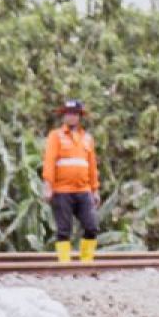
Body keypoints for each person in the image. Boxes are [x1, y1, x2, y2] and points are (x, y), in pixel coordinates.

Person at [42, 100, 100, 263]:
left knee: (91, 227)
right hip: (62, 191)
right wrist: (48, 186)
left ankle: (86, 263)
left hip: (84, 190)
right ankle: (65, 265)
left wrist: (95, 190)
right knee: (63, 230)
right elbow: (49, 161)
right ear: (63, 116)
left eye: (74, 113)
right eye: (68, 113)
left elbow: (92, 165)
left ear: (79, 116)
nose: (71, 117)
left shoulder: (87, 138)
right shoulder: (56, 136)